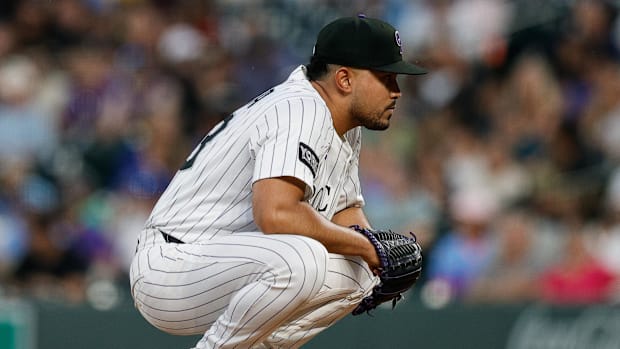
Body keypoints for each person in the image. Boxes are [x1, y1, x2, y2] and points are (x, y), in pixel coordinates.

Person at [129, 15, 426, 349]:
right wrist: (369, 247)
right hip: (173, 267)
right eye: (386, 78)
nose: (397, 91)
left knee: (360, 273)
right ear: (344, 79)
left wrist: (374, 254)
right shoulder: (300, 108)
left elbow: (345, 212)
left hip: (230, 269)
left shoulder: (343, 123)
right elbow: (276, 215)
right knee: (304, 259)